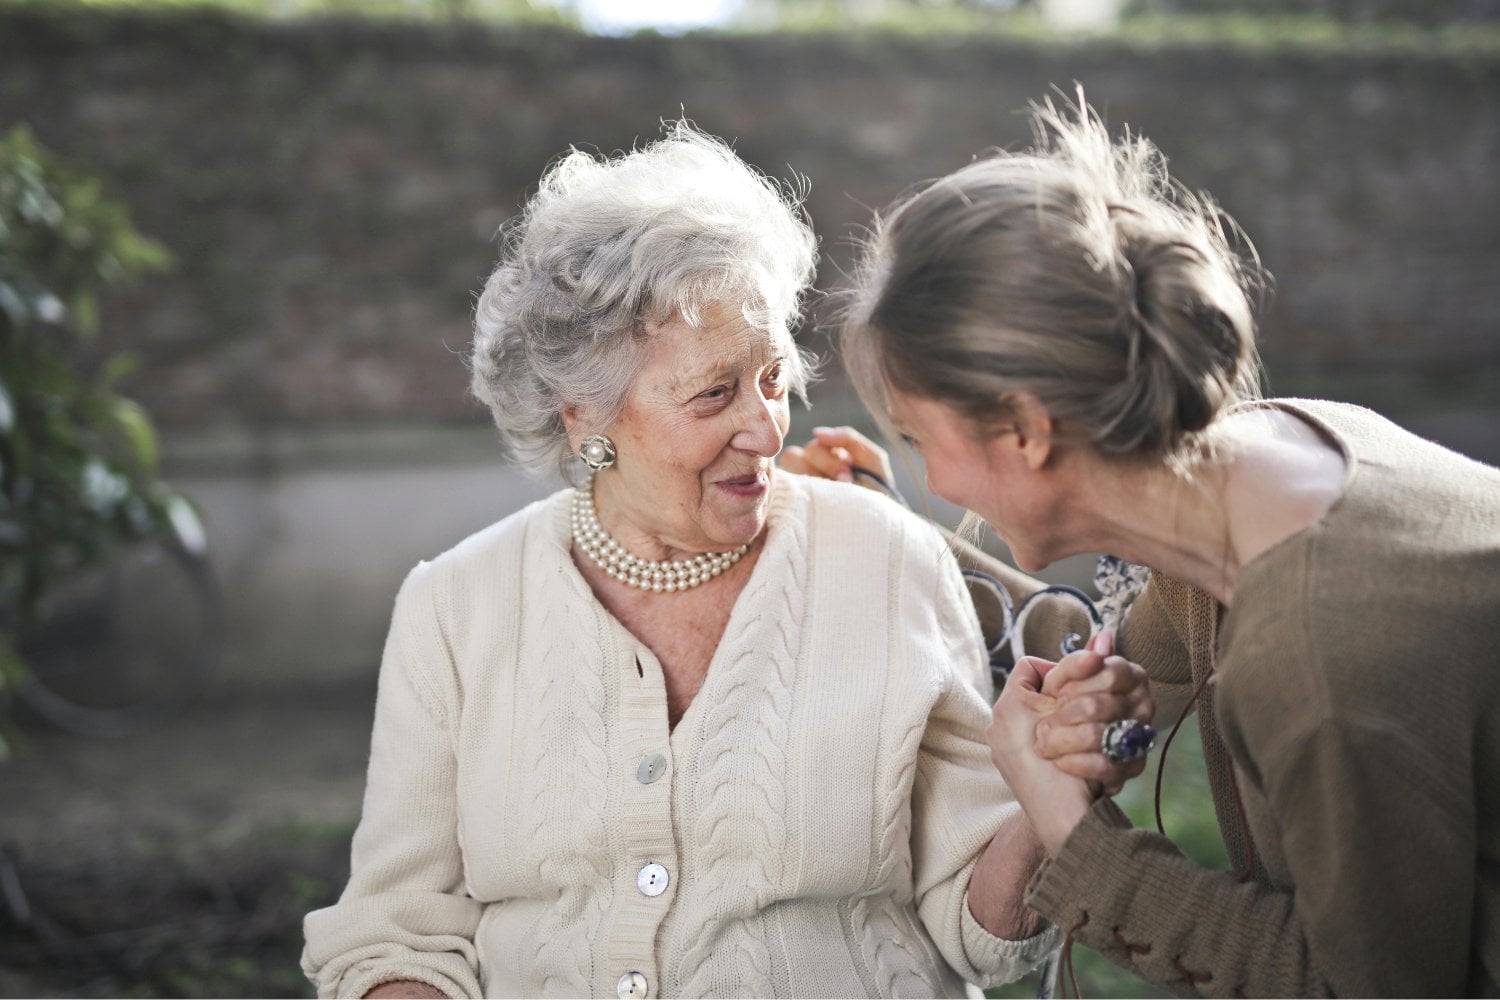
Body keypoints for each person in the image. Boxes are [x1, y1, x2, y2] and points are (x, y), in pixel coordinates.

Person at [300, 122, 1152, 1000]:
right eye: (714, 393)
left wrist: (1045, 796)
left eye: (774, 378)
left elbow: (982, 936)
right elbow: (395, 933)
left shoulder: (885, 559)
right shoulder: (455, 606)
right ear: (583, 416)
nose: (766, 426)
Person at [838, 92, 1500, 997]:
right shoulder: (1282, 454)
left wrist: (1075, 836)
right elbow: (1117, 656)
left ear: (1026, 432)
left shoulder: (1317, 655)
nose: (939, 485)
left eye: (920, 441)